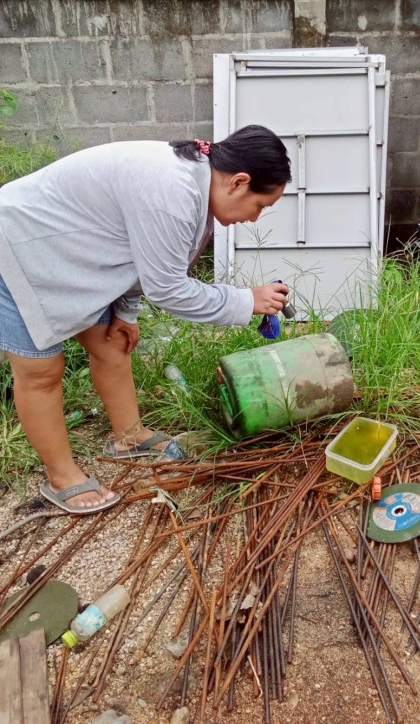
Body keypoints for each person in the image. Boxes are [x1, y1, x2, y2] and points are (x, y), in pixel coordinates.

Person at [0, 125, 291, 515]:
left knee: (114, 342)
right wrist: (245, 301)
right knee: (41, 373)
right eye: (260, 206)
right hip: (19, 243)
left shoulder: (196, 184)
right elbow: (168, 288)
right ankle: (62, 477)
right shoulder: (173, 191)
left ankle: (129, 438)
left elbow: (139, 251)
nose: (255, 219)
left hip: (74, 254)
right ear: (239, 182)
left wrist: (124, 311)